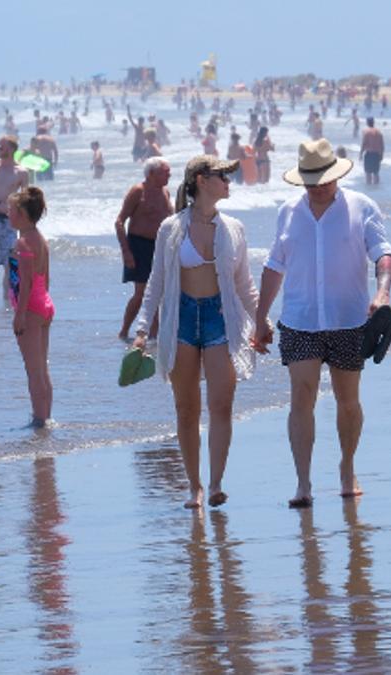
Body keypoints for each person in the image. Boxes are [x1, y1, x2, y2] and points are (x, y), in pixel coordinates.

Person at [253, 139, 391, 508]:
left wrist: (382, 294)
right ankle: (303, 482)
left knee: (348, 401)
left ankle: (347, 468)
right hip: (299, 321)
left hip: (349, 320)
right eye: (311, 182)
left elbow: (383, 255)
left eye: (324, 181)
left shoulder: (362, 207)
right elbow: (274, 266)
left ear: (336, 175)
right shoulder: (287, 211)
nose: (319, 188)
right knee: (301, 398)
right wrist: (260, 318)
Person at [132, 156, 260, 509]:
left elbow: (244, 284)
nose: (229, 182)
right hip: (182, 321)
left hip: (222, 319)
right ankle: (195, 487)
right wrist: (142, 329)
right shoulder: (171, 229)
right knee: (186, 409)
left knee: (222, 404)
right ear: (202, 181)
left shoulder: (234, 228)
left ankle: (216, 482)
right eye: (223, 176)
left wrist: (262, 320)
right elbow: (156, 283)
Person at [7, 187, 55, 427]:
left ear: (21, 213)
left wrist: (20, 315)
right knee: (41, 368)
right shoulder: (40, 238)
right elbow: (45, 278)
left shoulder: (23, 243)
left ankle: (39, 420)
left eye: (10, 209)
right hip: (44, 303)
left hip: (31, 308)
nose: (7, 213)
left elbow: (24, 283)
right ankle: (45, 416)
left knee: (33, 370)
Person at [115, 157, 173, 340]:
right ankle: (124, 331)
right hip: (139, 245)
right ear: (151, 173)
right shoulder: (138, 191)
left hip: (160, 247)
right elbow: (119, 222)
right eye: (165, 172)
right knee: (141, 293)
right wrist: (126, 252)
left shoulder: (166, 192)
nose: (169, 175)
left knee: (157, 293)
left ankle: (154, 338)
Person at [0, 136, 30, 305]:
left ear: (11, 149)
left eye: (1, 146)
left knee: (10, 264)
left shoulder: (22, 172)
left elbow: (25, 199)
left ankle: (9, 303)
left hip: (9, 222)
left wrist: (16, 212)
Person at [360, 117, 384, 186]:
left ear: (367, 122)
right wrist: (381, 155)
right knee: (376, 173)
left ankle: (369, 188)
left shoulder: (366, 132)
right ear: (373, 122)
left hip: (369, 154)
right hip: (377, 154)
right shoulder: (379, 132)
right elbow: (382, 145)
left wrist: (361, 154)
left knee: (368, 173)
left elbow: (364, 143)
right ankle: (376, 187)